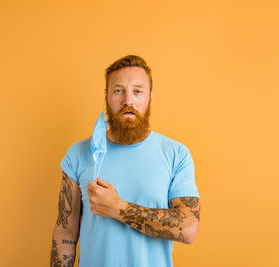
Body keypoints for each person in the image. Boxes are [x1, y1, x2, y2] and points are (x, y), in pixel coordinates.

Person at [50, 55, 200, 267]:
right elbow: (66, 231)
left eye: (137, 91)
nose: (128, 100)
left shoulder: (176, 154)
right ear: (106, 96)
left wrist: (117, 208)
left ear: (150, 97)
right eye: (118, 90)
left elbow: (189, 228)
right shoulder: (78, 154)